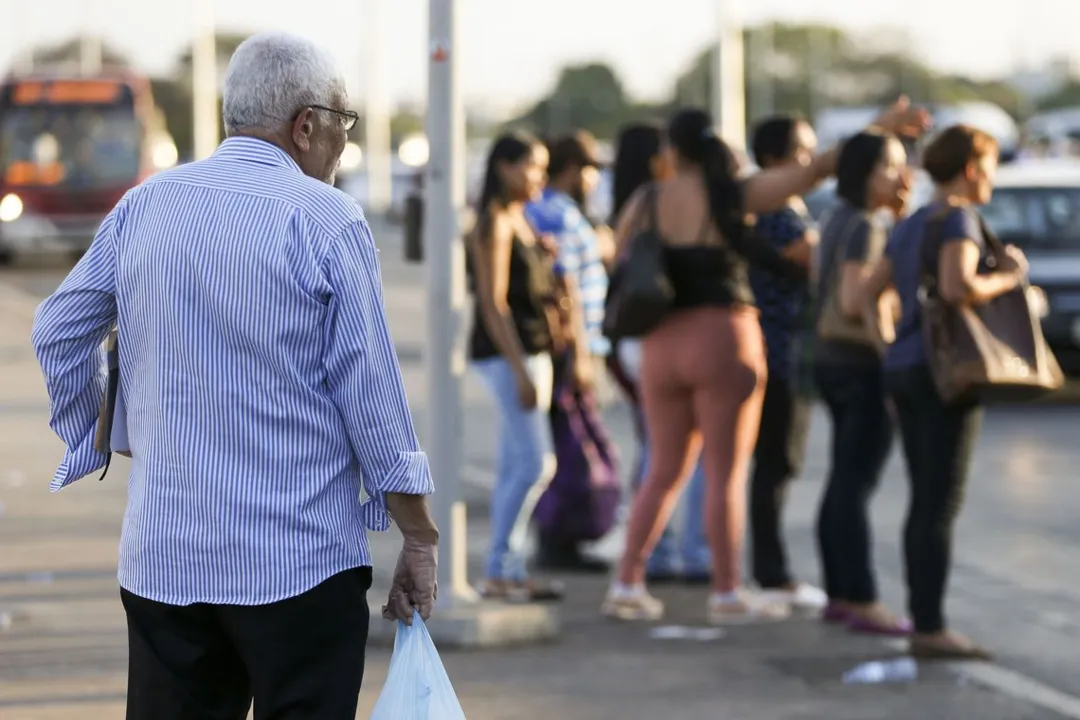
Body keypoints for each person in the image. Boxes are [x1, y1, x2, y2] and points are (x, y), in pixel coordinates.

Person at [29, 33, 439, 719]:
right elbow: (373, 404)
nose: (343, 143)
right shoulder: (326, 220)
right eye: (343, 123)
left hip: (165, 561)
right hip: (299, 566)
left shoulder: (146, 205)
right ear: (306, 124)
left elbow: (58, 329)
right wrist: (419, 537)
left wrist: (97, 432)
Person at [602, 100, 929, 624]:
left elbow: (617, 254)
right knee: (726, 472)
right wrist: (878, 130)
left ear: (671, 152)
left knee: (661, 469)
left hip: (660, 342)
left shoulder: (647, 199)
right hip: (724, 338)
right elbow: (815, 170)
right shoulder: (733, 194)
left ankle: (627, 582)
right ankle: (727, 591)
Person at [861, 124, 1022, 659]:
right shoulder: (957, 218)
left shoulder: (909, 224)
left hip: (906, 367)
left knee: (922, 499)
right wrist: (1011, 277)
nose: (993, 180)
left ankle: (922, 618)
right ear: (973, 169)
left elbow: (863, 293)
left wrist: (889, 346)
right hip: (945, 372)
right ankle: (929, 627)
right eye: (992, 167)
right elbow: (958, 288)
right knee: (938, 503)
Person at [812, 129, 914, 636]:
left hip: (830, 361)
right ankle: (861, 597)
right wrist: (890, 359)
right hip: (859, 362)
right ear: (863, 173)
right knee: (856, 482)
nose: (900, 175)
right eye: (890, 166)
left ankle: (839, 594)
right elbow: (856, 302)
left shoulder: (836, 218)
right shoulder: (864, 227)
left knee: (842, 479)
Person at [608, 121, 710, 584]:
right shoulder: (675, 197)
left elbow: (615, 259)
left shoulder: (634, 201)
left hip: (632, 334)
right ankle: (691, 551)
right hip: (674, 333)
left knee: (654, 444)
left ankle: (657, 549)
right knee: (686, 448)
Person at [468, 131, 564, 601]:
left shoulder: (520, 218)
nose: (539, 178)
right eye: (533, 167)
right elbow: (492, 302)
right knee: (534, 463)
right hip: (510, 355)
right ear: (505, 167)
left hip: (535, 351)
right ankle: (500, 566)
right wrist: (520, 370)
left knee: (515, 464)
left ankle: (507, 567)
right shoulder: (495, 223)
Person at [745, 115, 825, 612]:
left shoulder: (778, 209)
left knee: (776, 464)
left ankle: (767, 571)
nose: (811, 164)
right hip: (779, 353)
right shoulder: (777, 214)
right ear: (775, 159)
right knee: (775, 464)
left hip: (781, 349)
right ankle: (770, 574)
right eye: (803, 152)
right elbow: (817, 265)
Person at [525, 130, 615, 573]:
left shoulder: (552, 210)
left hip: (566, 345)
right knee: (570, 448)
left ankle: (560, 538)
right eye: (592, 168)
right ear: (575, 169)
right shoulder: (557, 213)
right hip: (569, 347)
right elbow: (565, 288)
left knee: (567, 446)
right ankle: (556, 540)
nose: (596, 178)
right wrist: (579, 353)